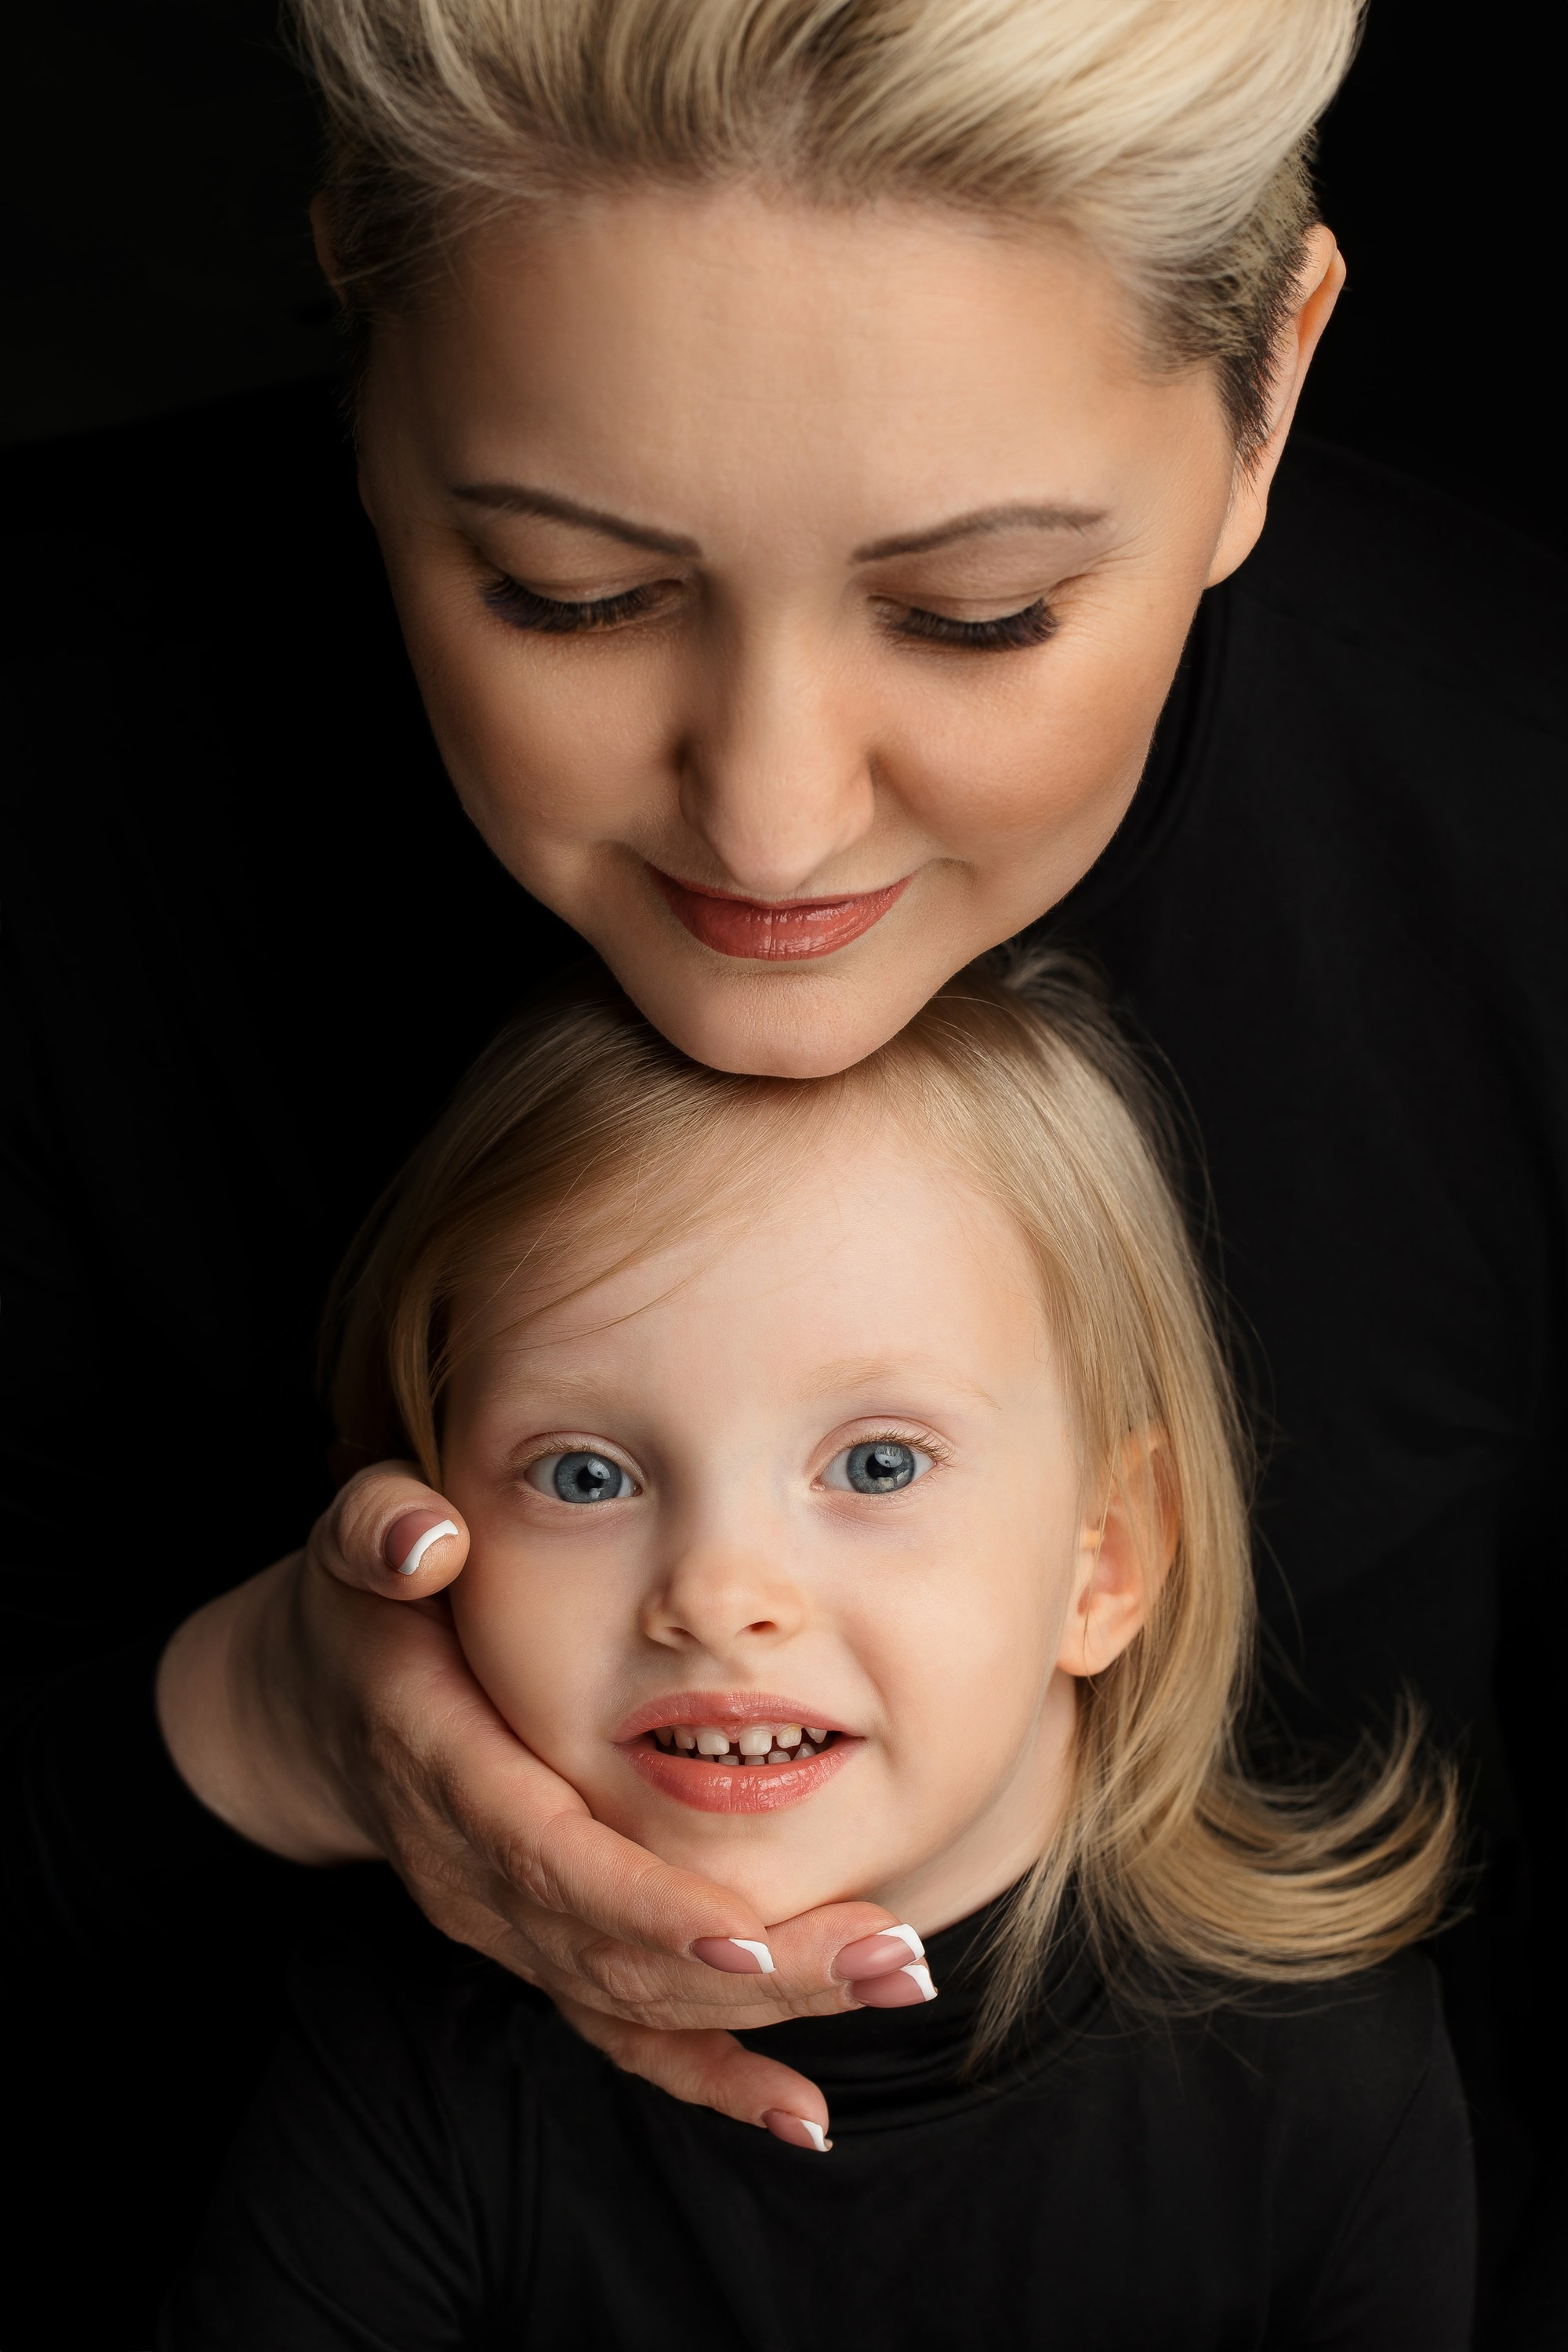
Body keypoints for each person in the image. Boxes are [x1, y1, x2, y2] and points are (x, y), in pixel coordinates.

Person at [2, 0, 1562, 2336]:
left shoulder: (1523, 853)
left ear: (1270, 392)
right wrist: (250, 1726)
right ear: (363, 338)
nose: (772, 822)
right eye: (570, 590)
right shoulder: (47, 782)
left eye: (975, 614)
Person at [162, 957, 1469, 2347]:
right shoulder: (411, 2055)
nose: (719, 1598)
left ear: (1108, 1560)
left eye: (880, 1462)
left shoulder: (1327, 2091)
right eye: (587, 1476)